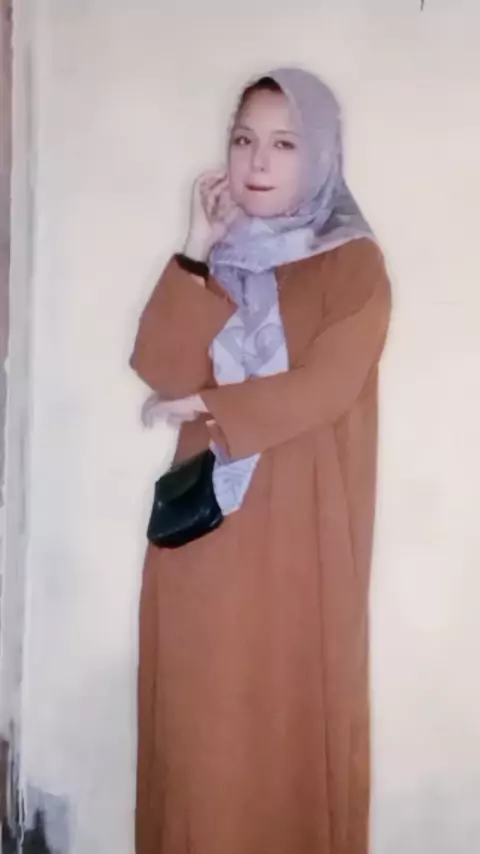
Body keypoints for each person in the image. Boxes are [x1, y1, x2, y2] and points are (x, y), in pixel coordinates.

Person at [130, 67, 391, 854]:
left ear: (321, 155)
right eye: (245, 140)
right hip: (202, 544)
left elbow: (329, 386)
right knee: (198, 741)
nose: (258, 162)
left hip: (300, 543)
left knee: (287, 736)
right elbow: (161, 368)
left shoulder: (354, 266)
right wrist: (197, 246)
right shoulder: (220, 259)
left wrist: (210, 406)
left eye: (284, 143)